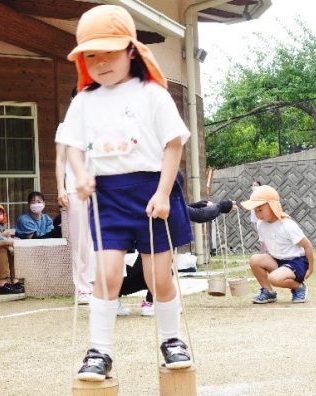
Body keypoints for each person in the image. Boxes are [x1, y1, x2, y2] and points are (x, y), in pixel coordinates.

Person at [56, 5, 194, 381]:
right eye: (91, 55)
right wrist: (81, 175)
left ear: (131, 50)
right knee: (107, 274)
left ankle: (172, 341)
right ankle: (99, 352)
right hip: (108, 197)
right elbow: (71, 145)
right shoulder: (83, 100)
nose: (100, 62)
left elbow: (173, 145)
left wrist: (164, 193)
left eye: (109, 52)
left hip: (152, 191)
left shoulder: (152, 93)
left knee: (157, 276)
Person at [118, 199, 235, 316]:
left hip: (116, 275)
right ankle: (151, 303)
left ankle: (113, 300)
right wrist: (221, 206)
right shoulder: (159, 197)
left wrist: (197, 205)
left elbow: (183, 210)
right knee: (163, 264)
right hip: (132, 266)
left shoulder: (133, 199)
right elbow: (199, 215)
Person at [241, 185, 313, 304]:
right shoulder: (261, 224)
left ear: (272, 206)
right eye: (255, 211)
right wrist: (263, 261)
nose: (258, 214)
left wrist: (310, 268)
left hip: (296, 262)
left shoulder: (287, 225)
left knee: (274, 278)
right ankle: (268, 292)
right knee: (255, 260)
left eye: (260, 209)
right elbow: (265, 245)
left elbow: (307, 246)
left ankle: (298, 287)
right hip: (277, 260)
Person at [56, 120, 94, 305]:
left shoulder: (100, 122)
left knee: (105, 239)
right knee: (81, 242)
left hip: (101, 189)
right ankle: (83, 289)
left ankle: (104, 287)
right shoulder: (66, 126)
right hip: (75, 189)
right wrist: (60, 188)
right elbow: (60, 160)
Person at [249, 181, 266, 253]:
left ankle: (263, 251)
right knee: (260, 235)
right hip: (254, 218)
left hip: (260, 218)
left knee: (262, 235)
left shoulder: (262, 195)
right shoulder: (252, 196)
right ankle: (263, 250)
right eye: (253, 185)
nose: (254, 187)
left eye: (256, 185)